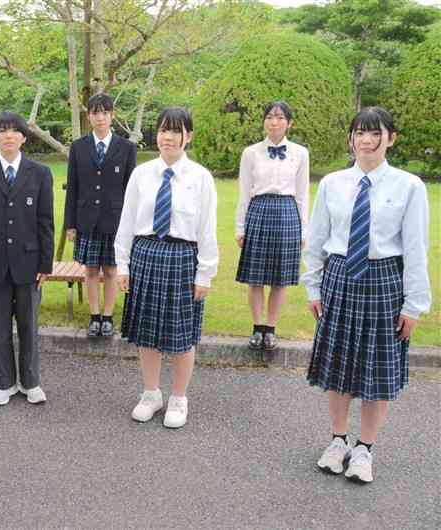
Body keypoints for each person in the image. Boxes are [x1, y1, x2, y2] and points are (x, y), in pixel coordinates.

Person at [303, 107, 431, 484]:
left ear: (391, 138)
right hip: (339, 278)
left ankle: (365, 449)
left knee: (377, 369)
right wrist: (313, 286)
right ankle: (338, 441)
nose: (366, 141)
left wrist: (414, 305)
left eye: (375, 134)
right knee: (338, 365)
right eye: (359, 133)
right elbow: (317, 241)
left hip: (383, 281)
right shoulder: (333, 183)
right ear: (351, 138)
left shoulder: (409, 186)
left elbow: (416, 248)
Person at [115, 107, 218, 429]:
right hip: (146, 255)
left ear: (189, 136)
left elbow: (207, 228)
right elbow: (127, 221)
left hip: (182, 259)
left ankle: (178, 398)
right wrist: (122, 264)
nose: (168, 137)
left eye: (176, 131)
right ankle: (150, 393)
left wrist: (205, 274)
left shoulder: (200, 177)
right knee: (146, 332)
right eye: (163, 130)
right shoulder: (141, 174)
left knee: (180, 334)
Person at [0, 112, 54, 406]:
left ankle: (31, 382)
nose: (8, 135)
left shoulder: (40, 173)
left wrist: (46, 264)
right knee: (0, 327)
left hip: (29, 263)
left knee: (29, 326)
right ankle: (4, 383)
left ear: (23, 137)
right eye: (1, 131)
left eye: (14, 130)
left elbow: (45, 222)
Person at [234, 101, 309, 350]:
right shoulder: (251, 153)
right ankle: (257, 328)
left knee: (280, 279)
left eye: (279, 117)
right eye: (269, 117)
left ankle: (271, 329)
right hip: (258, 211)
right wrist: (240, 227)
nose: (274, 122)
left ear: (290, 123)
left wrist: (303, 228)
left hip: (288, 213)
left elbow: (302, 194)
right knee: (255, 278)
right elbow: (244, 192)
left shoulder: (300, 153)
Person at [64, 93, 137, 337]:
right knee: (91, 270)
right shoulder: (78, 147)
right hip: (86, 219)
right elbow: (72, 187)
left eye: (105, 112)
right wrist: (70, 224)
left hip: (115, 220)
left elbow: (131, 190)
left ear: (112, 115)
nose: (100, 117)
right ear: (89, 116)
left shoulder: (126, 148)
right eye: (95, 113)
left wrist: (130, 225)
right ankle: (94, 317)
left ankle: (108, 316)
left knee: (111, 270)